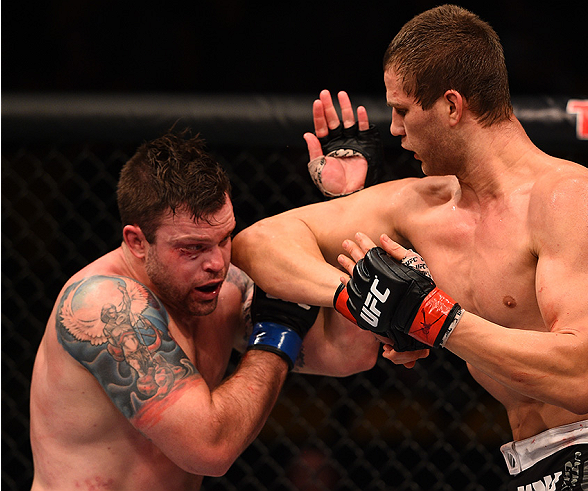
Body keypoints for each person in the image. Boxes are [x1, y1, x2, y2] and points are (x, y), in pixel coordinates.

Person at [231, 5, 588, 490]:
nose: (396, 130)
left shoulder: (568, 198)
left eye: (402, 110)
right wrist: (364, 299)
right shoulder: (421, 206)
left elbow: (580, 377)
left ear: (451, 105)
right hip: (527, 465)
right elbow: (258, 244)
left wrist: (431, 315)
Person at [28, 128, 385, 491]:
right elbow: (209, 450)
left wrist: (351, 203)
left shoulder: (224, 290)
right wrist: (277, 334)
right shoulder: (105, 306)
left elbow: (349, 353)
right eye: (191, 248)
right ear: (137, 241)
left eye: (224, 238)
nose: (217, 262)